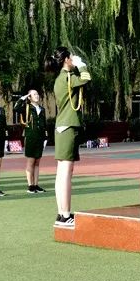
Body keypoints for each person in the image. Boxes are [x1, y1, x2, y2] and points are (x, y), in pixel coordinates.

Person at [45, 47, 92, 227]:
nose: (73, 59)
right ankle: (65, 215)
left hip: (64, 126)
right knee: (65, 173)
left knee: (63, 173)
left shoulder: (62, 78)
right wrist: (82, 65)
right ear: (66, 60)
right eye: (71, 57)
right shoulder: (67, 77)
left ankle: (62, 213)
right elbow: (86, 79)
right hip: (68, 126)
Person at [15, 89, 47, 193]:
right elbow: (16, 108)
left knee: (37, 162)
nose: (36, 96)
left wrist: (45, 137)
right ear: (29, 97)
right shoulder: (26, 107)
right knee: (31, 161)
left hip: (40, 137)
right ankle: (30, 185)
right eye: (34, 94)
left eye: (37, 94)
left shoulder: (42, 109)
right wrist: (23, 97)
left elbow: (44, 124)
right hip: (30, 137)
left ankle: (36, 184)